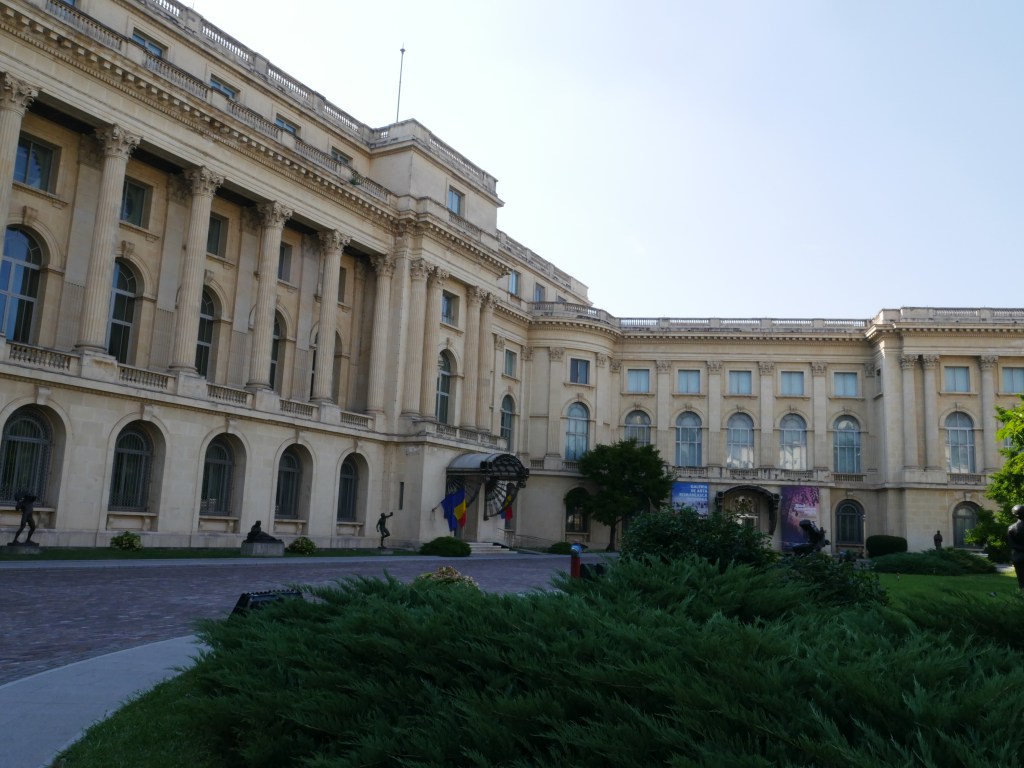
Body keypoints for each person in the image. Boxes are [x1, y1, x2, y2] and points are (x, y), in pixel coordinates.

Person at [1008, 505, 1024, 592]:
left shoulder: (1011, 528)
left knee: (1021, 579)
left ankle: (1022, 593)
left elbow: (1012, 544)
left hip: (1017, 556)